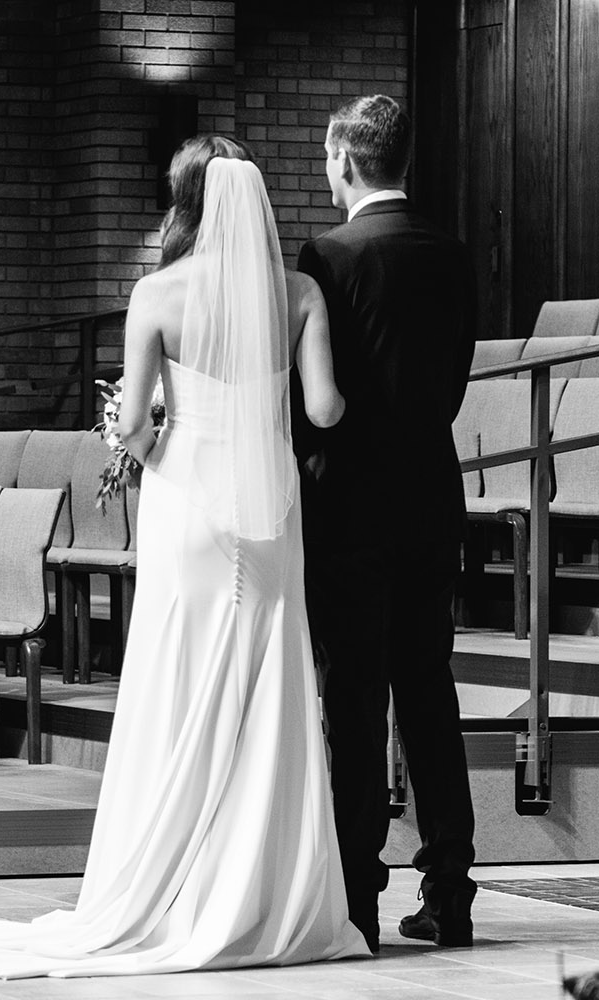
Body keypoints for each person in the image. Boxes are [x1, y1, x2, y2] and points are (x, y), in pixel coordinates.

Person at [0, 137, 367, 981]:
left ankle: (169, 882)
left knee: (180, 678)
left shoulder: (157, 293)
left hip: (189, 510)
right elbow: (325, 411)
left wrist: (160, 454)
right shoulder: (298, 293)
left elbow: (137, 428)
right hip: (272, 517)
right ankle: (260, 892)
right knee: (268, 684)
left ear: (188, 208)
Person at [295, 94, 478, 951]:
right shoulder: (452, 253)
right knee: (430, 694)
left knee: (357, 698)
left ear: (345, 160)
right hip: (433, 501)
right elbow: (454, 384)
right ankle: (451, 891)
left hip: (352, 511)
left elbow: (317, 400)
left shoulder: (328, 257)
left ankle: (360, 898)